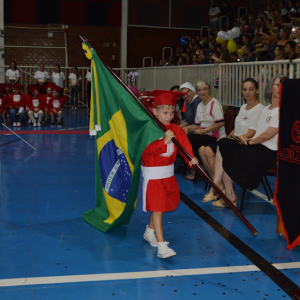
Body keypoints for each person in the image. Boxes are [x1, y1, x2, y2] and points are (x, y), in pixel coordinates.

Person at [209, 75, 283, 207]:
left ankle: (218, 188)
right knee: (225, 145)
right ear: (270, 88)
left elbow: (268, 135)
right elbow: (259, 133)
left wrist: (249, 142)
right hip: (257, 148)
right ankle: (228, 193)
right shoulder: (266, 109)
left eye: (282, 85)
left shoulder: (283, 110)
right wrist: (245, 139)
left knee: (226, 148)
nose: (279, 87)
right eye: (276, 84)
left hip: (270, 153)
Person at [141, 89, 198, 259]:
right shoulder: (148, 129)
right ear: (154, 111)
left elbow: (184, 145)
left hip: (168, 176)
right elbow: (144, 150)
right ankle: (161, 245)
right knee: (158, 209)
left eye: (172, 112)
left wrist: (191, 159)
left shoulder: (176, 129)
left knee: (161, 207)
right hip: (153, 177)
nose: (168, 116)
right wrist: (163, 142)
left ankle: (149, 232)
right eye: (164, 112)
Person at [200, 78, 264, 202]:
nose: (248, 92)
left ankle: (218, 187)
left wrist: (232, 140)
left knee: (224, 152)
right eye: (245, 89)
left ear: (256, 91)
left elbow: (252, 132)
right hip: (235, 142)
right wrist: (228, 138)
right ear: (241, 91)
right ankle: (225, 191)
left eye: (251, 89)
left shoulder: (259, 109)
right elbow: (236, 128)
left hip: (247, 144)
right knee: (207, 149)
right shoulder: (244, 106)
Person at [183, 81, 226, 180]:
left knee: (192, 141)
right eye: (199, 90)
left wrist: (205, 130)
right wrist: (187, 128)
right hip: (205, 135)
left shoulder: (214, 103)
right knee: (187, 139)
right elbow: (197, 125)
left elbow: (221, 123)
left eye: (204, 89)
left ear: (209, 90)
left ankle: (198, 168)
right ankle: (200, 169)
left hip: (215, 136)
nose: (202, 92)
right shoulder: (200, 105)